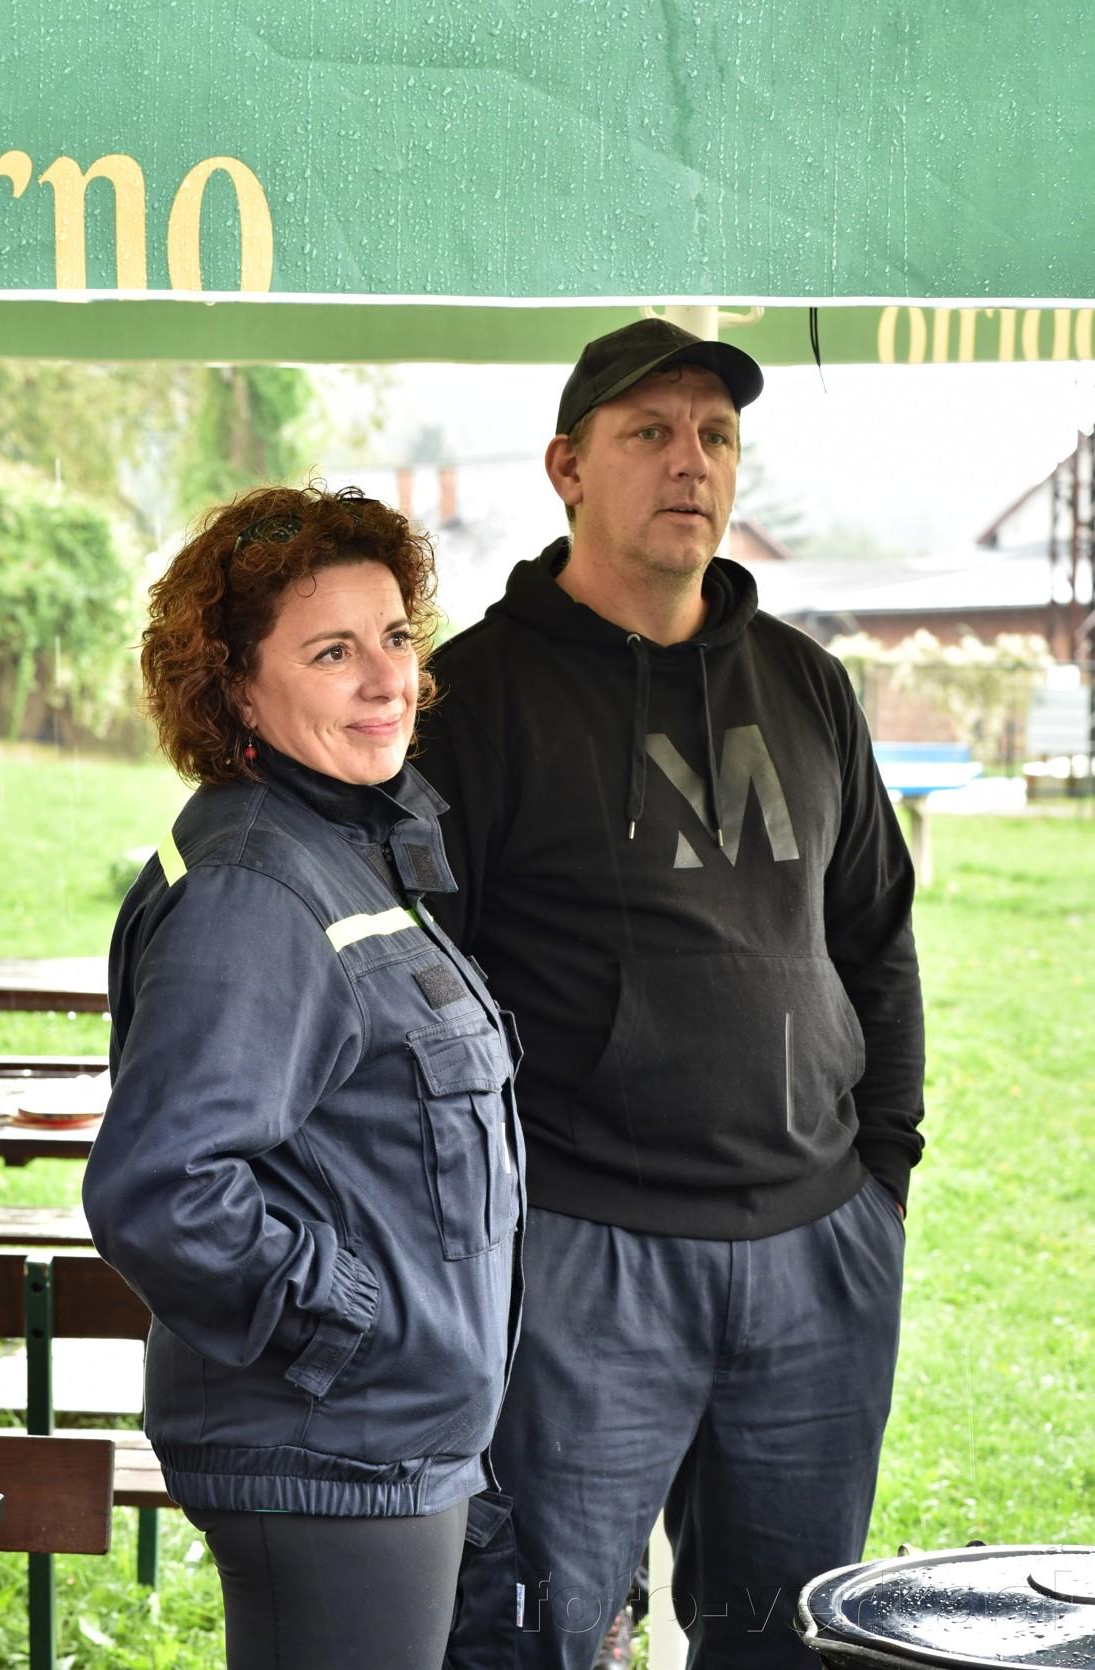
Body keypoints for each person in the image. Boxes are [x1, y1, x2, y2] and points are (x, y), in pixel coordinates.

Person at [418, 317, 926, 1670]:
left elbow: (875, 937)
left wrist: (880, 1177)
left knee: (789, 1638)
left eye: (714, 435)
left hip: (815, 1250)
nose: (688, 460)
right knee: (541, 1633)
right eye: (647, 432)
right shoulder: (472, 697)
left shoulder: (807, 683)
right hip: (583, 1252)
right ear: (567, 467)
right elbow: (419, 991)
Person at [81, 484, 524, 1670]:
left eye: (396, 637)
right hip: (333, 1451)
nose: (388, 680)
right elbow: (162, 1187)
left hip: (385, 1439)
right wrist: (362, 1323)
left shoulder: (342, 844)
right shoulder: (257, 886)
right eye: (333, 651)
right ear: (234, 687)